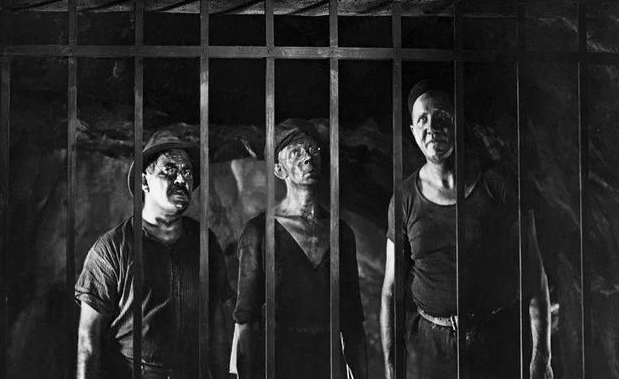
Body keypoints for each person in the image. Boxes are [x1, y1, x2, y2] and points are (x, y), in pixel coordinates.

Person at [380, 80, 553, 379]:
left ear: (457, 123)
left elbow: (534, 274)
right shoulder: (405, 199)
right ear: (413, 132)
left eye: (441, 117)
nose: (432, 127)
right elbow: (391, 290)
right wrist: (391, 366)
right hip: (430, 352)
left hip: (495, 345)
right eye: (422, 119)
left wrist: (541, 356)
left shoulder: (496, 185)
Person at [75, 131, 232, 379]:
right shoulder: (111, 249)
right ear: (144, 182)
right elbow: (88, 340)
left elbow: (217, 323)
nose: (181, 178)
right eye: (169, 170)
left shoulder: (205, 242)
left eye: (187, 172)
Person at [233, 119, 368, 379]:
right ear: (279, 170)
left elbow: (352, 323)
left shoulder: (341, 233)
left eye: (312, 149)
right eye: (295, 152)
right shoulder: (259, 232)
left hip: (328, 367)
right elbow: (246, 321)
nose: (307, 157)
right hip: (277, 365)